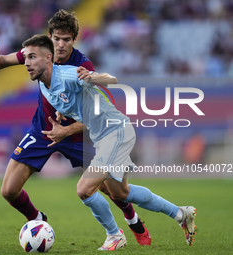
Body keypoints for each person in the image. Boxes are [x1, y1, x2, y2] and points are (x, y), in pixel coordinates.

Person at [0, 10, 150, 249]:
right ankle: (37, 221)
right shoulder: (36, 52)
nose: (60, 44)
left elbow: (104, 104)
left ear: (74, 40)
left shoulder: (82, 65)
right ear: (50, 37)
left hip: (78, 135)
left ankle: (133, 222)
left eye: (66, 39)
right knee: (8, 190)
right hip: (43, 130)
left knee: (113, 190)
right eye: (56, 38)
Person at [21, 34, 197, 248]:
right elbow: (69, 102)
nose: (27, 63)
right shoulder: (43, 84)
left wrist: (92, 77)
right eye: (25, 58)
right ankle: (180, 213)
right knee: (121, 192)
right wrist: (61, 115)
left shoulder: (68, 74)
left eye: (32, 57)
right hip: (106, 135)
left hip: (115, 132)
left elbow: (110, 79)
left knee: (84, 189)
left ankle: (114, 235)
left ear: (48, 58)